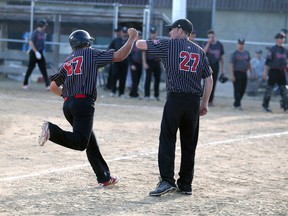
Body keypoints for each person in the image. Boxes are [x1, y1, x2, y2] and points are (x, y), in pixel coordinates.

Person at [38, 28, 138, 187]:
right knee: (81, 143)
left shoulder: (67, 61)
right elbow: (119, 56)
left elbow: (52, 87)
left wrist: (66, 96)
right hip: (83, 104)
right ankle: (52, 130)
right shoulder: (91, 54)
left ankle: (104, 177)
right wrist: (132, 38)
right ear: (87, 42)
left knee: (90, 142)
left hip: (68, 105)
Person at [136, 19, 213, 196]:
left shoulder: (169, 45)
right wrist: (204, 103)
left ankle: (167, 181)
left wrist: (136, 37)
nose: (170, 33)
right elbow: (208, 79)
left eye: (172, 30)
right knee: (189, 143)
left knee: (167, 139)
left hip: (175, 99)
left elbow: (140, 45)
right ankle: (186, 184)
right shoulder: (200, 51)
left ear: (180, 30)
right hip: (193, 101)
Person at [262, 32, 288, 112]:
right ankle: (265, 105)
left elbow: (286, 63)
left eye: (282, 38)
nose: (281, 40)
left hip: (282, 71)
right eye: (279, 38)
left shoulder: (285, 50)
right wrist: (265, 73)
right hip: (273, 71)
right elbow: (267, 62)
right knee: (269, 89)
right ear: (276, 40)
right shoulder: (272, 49)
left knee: (285, 90)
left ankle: (285, 105)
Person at [23, 19, 50, 90]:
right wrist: (36, 52)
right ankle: (25, 84)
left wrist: (40, 52)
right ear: (41, 25)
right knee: (30, 68)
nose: (45, 27)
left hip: (40, 53)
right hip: (34, 53)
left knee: (43, 69)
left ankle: (47, 85)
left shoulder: (43, 33)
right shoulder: (35, 33)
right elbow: (31, 42)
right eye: (44, 25)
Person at [230, 38, 254, 110]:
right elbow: (231, 64)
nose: (241, 45)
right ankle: (238, 105)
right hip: (237, 72)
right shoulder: (235, 53)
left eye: (242, 44)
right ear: (237, 44)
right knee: (237, 89)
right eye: (240, 44)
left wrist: (251, 72)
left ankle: (236, 103)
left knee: (243, 89)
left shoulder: (246, 53)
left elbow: (249, 63)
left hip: (244, 73)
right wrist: (232, 75)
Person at [203, 30, 225, 106]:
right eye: (209, 37)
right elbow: (203, 53)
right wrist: (209, 42)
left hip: (216, 65)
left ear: (215, 36)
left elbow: (222, 57)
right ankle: (204, 100)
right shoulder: (206, 43)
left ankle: (210, 101)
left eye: (212, 37)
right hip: (207, 65)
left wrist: (222, 69)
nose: (210, 38)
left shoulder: (219, 45)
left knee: (213, 83)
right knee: (205, 83)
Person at [109, 26, 129, 97]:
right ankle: (113, 91)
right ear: (121, 32)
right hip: (116, 61)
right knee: (114, 75)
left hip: (125, 62)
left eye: (125, 32)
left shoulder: (129, 41)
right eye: (123, 32)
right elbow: (110, 49)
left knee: (123, 77)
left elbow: (131, 52)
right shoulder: (116, 40)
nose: (124, 34)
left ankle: (121, 93)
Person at [142, 26, 162, 100]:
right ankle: (146, 95)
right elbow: (143, 53)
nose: (153, 35)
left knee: (157, 79)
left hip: (157, 61)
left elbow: (161, 52)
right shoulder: (147, 42)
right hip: (149, 61)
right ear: (150, 34)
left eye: (154, 33)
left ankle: (156, 95)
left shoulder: (158, 42)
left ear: (156, 34)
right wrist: (144, 63)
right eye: (152, 33)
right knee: (148, 78)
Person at [128, 31, 143, 98]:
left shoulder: (142, 44)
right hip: (134, 63)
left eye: (139, 36)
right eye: (137, 36)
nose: (138, 37)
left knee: (138, 79)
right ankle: (134, 93)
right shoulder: (132, 44)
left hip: (139, 64)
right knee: (134, 79)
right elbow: (129, 55)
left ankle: (133, 93)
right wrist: (131, 64)